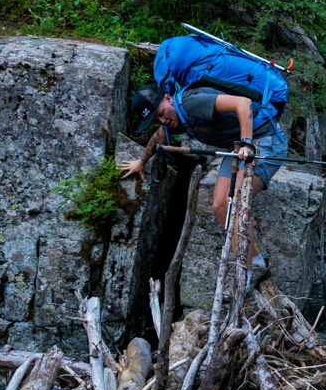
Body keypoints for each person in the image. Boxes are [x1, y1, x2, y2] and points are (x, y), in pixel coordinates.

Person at [119, 64, 288, 275]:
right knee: (220, 205)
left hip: (265, 140)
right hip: (237, 147)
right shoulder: (177, 117)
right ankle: (251, 266)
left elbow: (243, 104)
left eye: (161, 112)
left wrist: (247, 143)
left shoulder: (190, 102)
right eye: (156, 119)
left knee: (233, 202)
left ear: (168, 98)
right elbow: (161, 135)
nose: (163, 120)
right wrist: (141, 161)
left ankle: (252, 269)